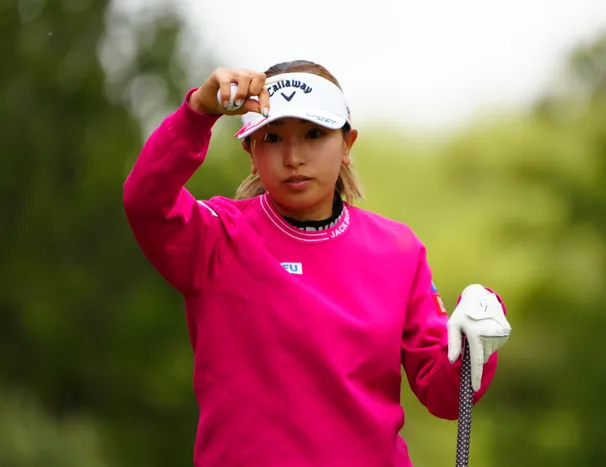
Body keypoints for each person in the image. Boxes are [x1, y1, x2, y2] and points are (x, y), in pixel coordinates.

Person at [123, 60, 512, 467]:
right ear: (251, 152)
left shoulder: (399, 250)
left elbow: (445, 396)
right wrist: (199, 113)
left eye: (314, 134)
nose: (293, 157)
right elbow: (146, 201)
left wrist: (478, 337)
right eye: (272, 137)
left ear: (346, 145)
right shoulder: (216, 236)